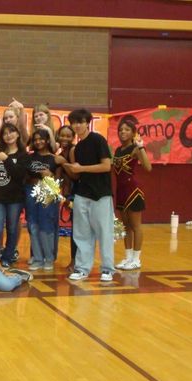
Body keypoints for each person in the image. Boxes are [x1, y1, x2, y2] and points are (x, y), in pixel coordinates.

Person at [63, 108, 115, 282]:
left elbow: (106, 166)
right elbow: (77, 174)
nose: (77, 125)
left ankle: (107, 269)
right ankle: (82, 268)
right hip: (82, 193)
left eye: (80, 122)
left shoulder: (98, 140)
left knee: (104, 233)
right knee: (81, 233)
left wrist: (81, 168)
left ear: (87, 123)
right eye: (74, 123)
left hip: (101, 194)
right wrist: (68, 167)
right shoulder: (77, 148)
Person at [113, 115, 151, 270]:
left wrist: (141, 147)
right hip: (121, 190)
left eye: (127, 129)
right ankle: (128, 258)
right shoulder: (118, 150)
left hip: (133, 191)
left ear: (133, 132)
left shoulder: (136, 148)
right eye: (120, 129)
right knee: (125, 226)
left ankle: (136, 259)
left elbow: (148, 167)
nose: (123, 132)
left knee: (136, 226)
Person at [24, 129, 66, 271]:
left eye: (41, 139)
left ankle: (49, 258)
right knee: (32, 224)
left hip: (48, 191)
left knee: (46, 225)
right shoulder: (29, 157)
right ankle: (37, 258)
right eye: (35, 139)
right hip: (31, 190)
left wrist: (51, 176)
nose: (38, 142)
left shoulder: (55, 159)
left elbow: (61, 179)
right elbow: (25, 176)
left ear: (47, 140)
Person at [0, 123, 28, 268]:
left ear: (17, 134)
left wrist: (6, 159)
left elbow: (19, 175)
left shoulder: (23, 155)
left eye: (11, 132)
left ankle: (7, 257)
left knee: (12, 229)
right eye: (5, 133)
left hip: (15, 199)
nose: (8, 135)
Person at [57, 125, 78, 273]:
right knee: (74, 230)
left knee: (77, 231)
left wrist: (63, 162)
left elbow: (76, 175)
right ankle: (74, 260)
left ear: (73, 137)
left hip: (77, 194)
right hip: (68, 194)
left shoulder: (72, 150)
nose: (64, 138)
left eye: (68, 136)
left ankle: (76, 261)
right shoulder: (62, 151)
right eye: (62, 135)